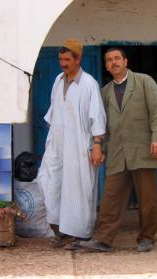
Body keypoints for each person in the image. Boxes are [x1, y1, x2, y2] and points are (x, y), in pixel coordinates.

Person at [83, 47, 157, 252]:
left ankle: (146, 238)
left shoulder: (144, 81)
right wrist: (99, 147)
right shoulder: (105, 92)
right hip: (117, 151)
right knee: (111, 197)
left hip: (143, 148)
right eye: (109, 60)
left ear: (126, 61)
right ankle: (104, 239)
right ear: (106, 66)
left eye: (117, 58)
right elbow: (102, 124)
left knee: (147, 198)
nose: (114, 62)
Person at [38, 39, 107, 247]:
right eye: (61, 59)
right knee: (50, 182)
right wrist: (50, 142)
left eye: (67, 59)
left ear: (78, 59)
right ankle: (61, 231)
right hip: (57, 144)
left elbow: (97, 116)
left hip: (80, 145)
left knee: (79, 189)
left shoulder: (89, 84)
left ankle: (81, 233)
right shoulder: (58, 80)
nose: (63, 63)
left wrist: (97, 145)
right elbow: (54, 113)